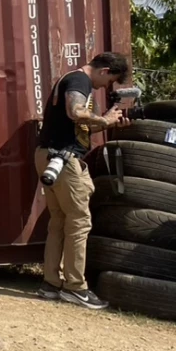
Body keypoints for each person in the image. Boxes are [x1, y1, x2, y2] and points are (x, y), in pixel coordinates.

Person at [34, 51, 131, 310]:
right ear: (105, 70)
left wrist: (111, 122)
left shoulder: (74, 79)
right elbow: (76, 111)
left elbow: (81, 125)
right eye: (110, 81)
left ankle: (51, 284)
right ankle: (76, 287)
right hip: (63, 159)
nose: (106, 87)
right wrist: (105, 119)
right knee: (80, 221)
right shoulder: (80, 81)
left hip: (50, 156)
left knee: (60, 220)